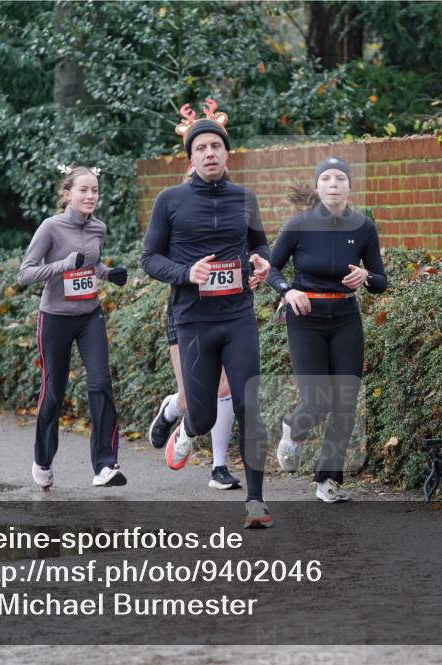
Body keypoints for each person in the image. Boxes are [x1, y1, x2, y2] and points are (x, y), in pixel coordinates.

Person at [141, 100, 274, 527]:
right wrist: (187, 272)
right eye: (201, 148)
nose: (210, 153)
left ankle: (256, 502)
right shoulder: (170, 200)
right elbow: (149, 259)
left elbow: (260, 245)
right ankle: (184, 425)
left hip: (237, 316)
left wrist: (262, 263)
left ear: (226, 153)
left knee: (248, 403)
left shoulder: (244, 198)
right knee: (203, 415)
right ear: (191, 157)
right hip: (193, 318)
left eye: (216, 146)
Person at [268, 157, 388, 502]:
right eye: (327, 179)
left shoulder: (363, 227)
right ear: (318, 187)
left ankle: (328, 480)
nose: (334, 184)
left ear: (350, 186)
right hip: (306, 316)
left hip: (346, 316)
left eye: (340, 178)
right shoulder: (298, 226)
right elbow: (273, 270)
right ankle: (294, 425)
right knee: (317, 400)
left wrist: (366, 277)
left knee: (345, 403)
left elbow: (380, 281)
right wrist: (288, 291)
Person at [17, 165, 129, 489]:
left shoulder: (98, 229)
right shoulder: (50, 228)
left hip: (89, 315)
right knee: (54, 392)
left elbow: (92, 263)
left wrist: (109, 274)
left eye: (94, 190)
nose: (90, 196)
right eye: (83, 190)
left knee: (100, 382)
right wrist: (64, 265)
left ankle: (105, 465)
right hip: (54, 318)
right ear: (68, 194)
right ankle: (43, 457)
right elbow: (24, 274)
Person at [149, 167, 241, 492]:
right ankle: (174, 407)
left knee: (224, 388)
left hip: (227, 314)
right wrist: (188, 272)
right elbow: (153, 259)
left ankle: (219, 467)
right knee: (193, 400)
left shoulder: (233, 211)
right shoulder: (175, 213)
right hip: (186, 313)